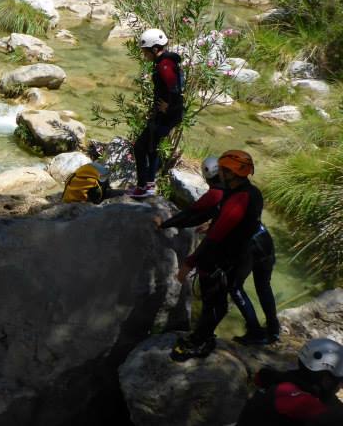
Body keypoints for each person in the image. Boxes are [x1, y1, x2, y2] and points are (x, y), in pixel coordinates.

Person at [159, 156, 280, 346]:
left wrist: (189, 261)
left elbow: (198, 219)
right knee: (263, 286)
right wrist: (213, 223)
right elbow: (240, 221)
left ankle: (254, 332)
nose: (221, 173)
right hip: (264, 241)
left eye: (224, 170)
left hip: (248, 248)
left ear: (229, 174)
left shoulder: (227, 195)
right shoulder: (252, 192)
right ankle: (273, 329)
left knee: (234, 288)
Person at [129, 28, 185, 198]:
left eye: (145, 52)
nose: (144, 55)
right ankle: (150, 185)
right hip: (170, 114)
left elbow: (174, 88)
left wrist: (167, 107)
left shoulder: (164, 64)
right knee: (151, 146)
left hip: (167, 115)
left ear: (154, 49)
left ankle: (142, 187)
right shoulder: (168, 61)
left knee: (140, 147)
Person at [236, 338, 343, 425]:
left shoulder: (288, 379)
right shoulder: (296, 398)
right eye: (340, 380)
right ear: (326, 379)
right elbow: (331, 418)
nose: (341, 386)